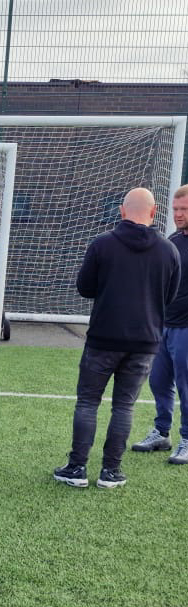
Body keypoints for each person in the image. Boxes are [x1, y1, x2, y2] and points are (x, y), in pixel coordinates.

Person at [53, 187, 180, 489]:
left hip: (103, 339)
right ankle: (111, 471)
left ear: (122, 212)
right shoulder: (169, 250)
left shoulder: (102, 245)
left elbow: (85, 287)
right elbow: (170, 297)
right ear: (154, 212)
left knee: (88, 402)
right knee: (124, 406)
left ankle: (77, 467)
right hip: (145, 342)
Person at [131, 184, 188, 466]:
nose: (178, 214)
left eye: (184, 209)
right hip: (165, 325)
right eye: (176, 209)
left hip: (187, 329)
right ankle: (162, 432)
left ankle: (187, 438)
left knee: (186, 385)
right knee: (158, 381)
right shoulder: (174, 240)